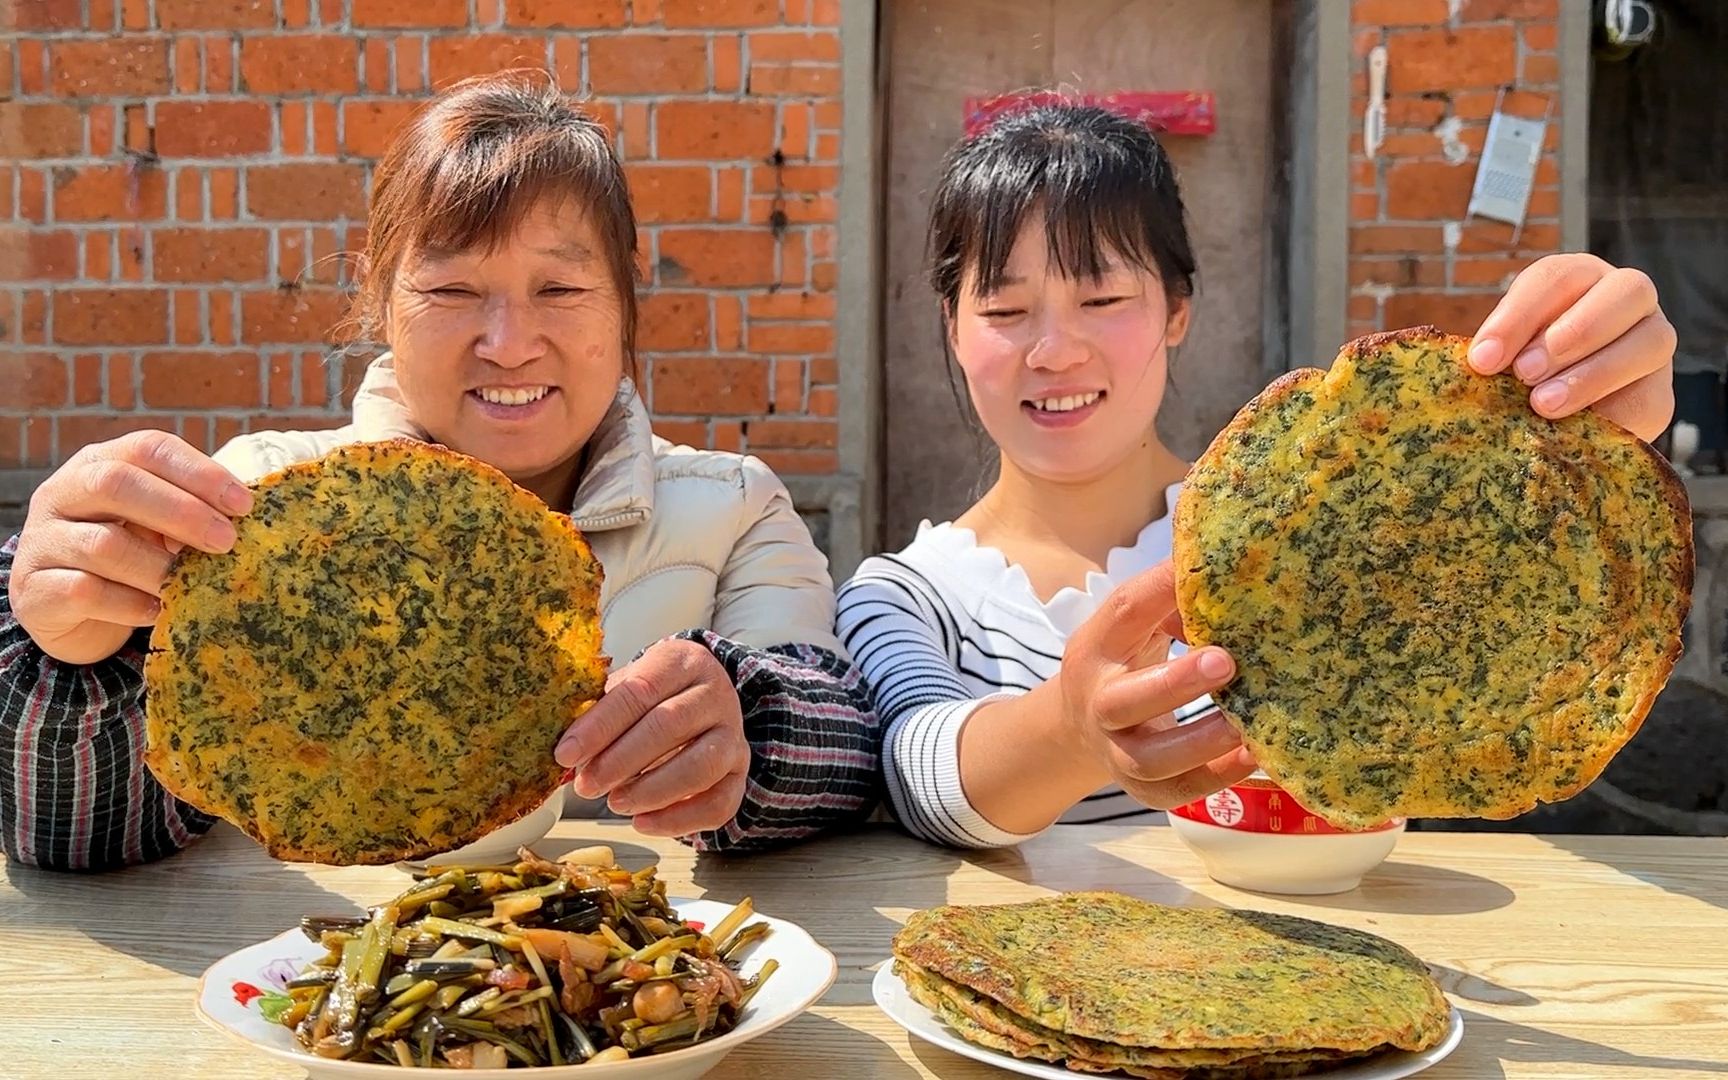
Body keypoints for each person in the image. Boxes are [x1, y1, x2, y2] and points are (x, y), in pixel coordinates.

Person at [0, 71, 879, 872]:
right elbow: (82, 838)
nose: (507, 343)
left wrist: (753, 733)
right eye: (452, 292)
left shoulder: (734, 510)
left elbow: (845, 760)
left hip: (635, 994)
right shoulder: (242, 508)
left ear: (625, 298)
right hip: (316, 993)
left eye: (561, 291)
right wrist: (68, 654)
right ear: (381, 297)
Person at [837, 102, 1677, 848]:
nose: (1055, 351)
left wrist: (1586, 445)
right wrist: (1072, 730)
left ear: (1177, 310)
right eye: (1004, 310)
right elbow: (919, 770)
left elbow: (1502, 605)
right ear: (951, 328)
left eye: (1101, 301)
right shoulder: (902, 597)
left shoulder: (1330, 538)